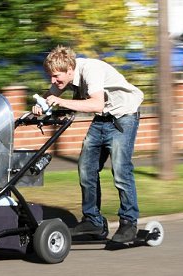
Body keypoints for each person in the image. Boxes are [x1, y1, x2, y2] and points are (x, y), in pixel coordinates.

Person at [33, 45, 143, 243]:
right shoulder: (65, 75)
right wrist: (40, 104)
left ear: (69, 70)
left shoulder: (90, 70)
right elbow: (50, 96)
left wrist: (61, 101)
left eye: (56, 76)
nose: (53, 80)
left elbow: (96, 104)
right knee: (86, 168)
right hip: (102, 120)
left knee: (120, 170)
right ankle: (93, 220)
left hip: (124, 117)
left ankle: (129, 222)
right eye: (51, 76)